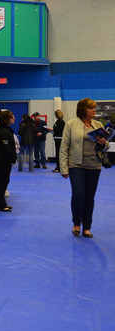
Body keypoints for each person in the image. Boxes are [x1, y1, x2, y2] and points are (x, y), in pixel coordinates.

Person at [59, 98, 109, 239]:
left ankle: (87, 227)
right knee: (78, 194)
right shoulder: (71, 125)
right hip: (76, 165)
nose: (94, 110)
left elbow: (106, 146)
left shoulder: (98, 124)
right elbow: (64, 147)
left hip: (94, 165)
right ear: (83, 110)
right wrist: (64, 168)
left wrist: (104, 143)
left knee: (89, 197)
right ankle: (76, 224)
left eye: (94, 108)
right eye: (91, 108)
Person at [0, 110, 17, 212]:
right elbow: (5, 147)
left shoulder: (6, 130)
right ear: (6, 119)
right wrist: (13, 156)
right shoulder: (3, 132)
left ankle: (2, 202)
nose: (14, 119)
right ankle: (0, 205)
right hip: (3, 160)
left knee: (4, 181)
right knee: (2, 182)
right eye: (12, 117)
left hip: (5, 160)